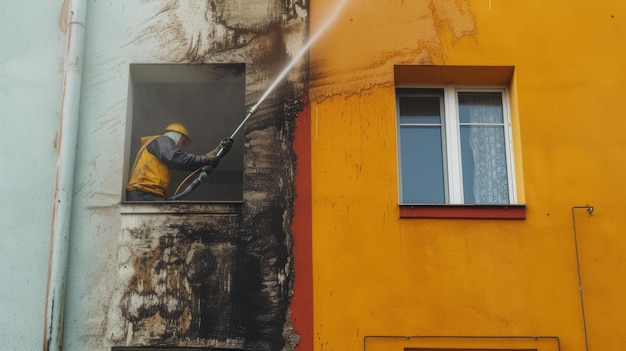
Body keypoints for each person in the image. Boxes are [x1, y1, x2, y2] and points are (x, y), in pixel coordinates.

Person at [126, 122, 233, 201]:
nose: (181, 145)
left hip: (146, 194)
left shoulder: (158, 147)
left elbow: (186, 162)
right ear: (177, 135)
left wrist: (218, 151)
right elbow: (180, 159)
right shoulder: (162, 141)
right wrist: (206, 160)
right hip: (144, 194)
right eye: (182, 141)